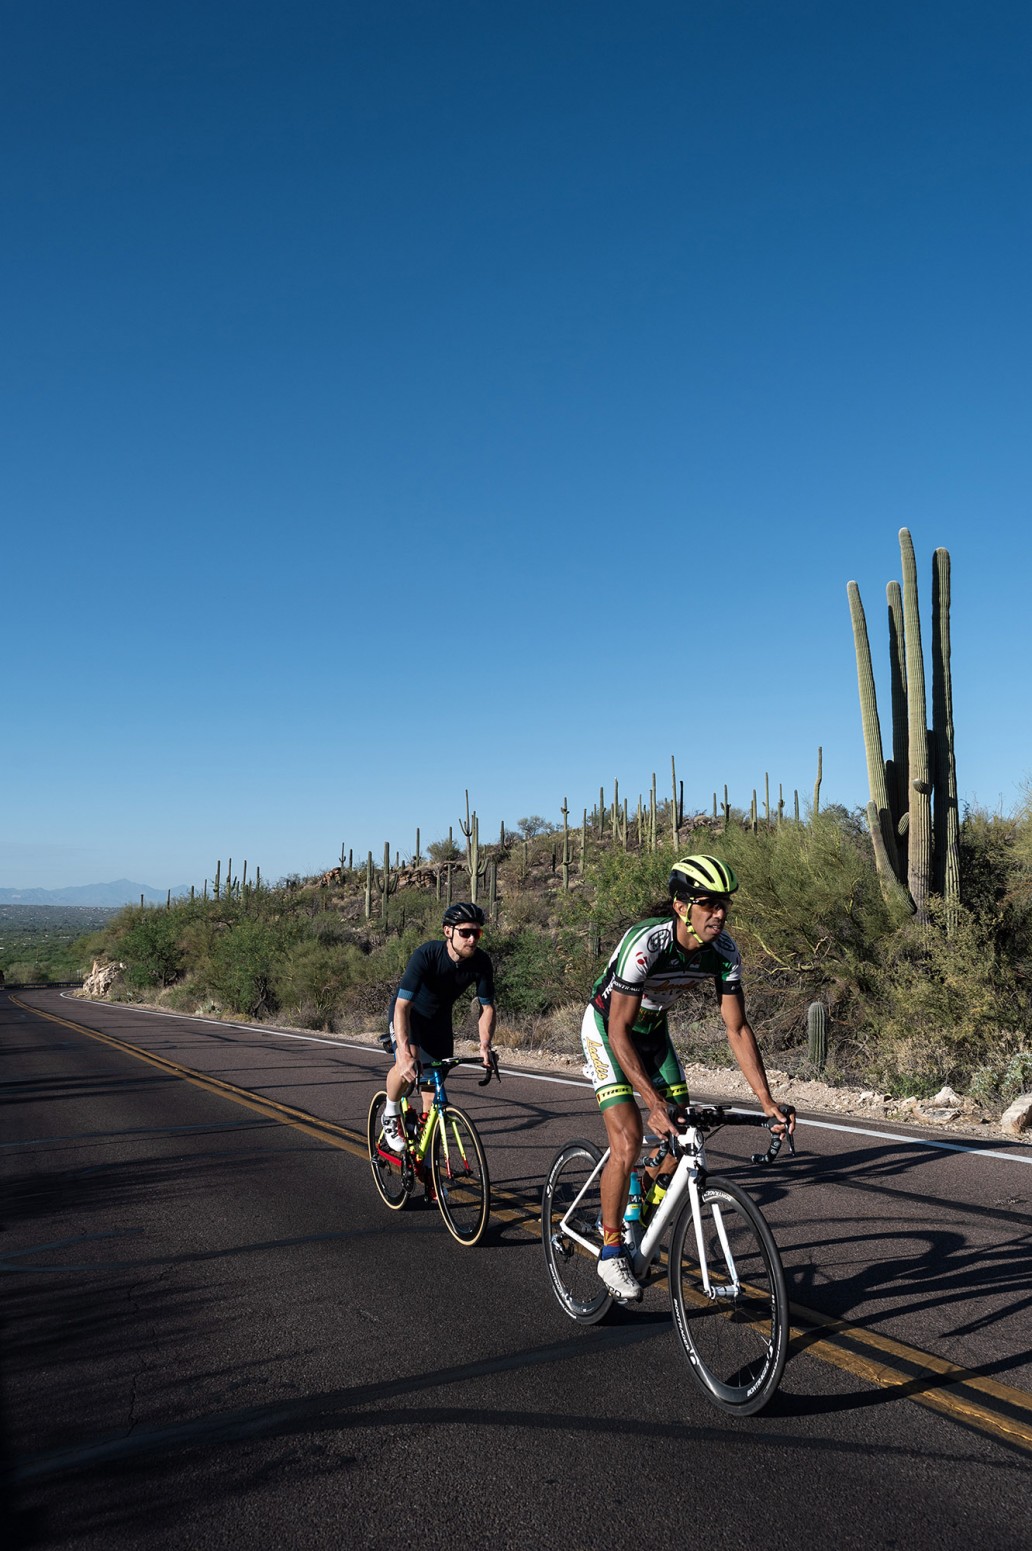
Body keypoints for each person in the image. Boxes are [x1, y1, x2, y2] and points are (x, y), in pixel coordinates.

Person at [581, 853, 793, 1303]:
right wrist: (652, 1103)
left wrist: (767, 1100)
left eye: (724, 905)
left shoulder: (723, 952)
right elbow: (618, 1030)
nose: (719, 913)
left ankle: (648, 1187)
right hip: (607, 1030)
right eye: (708, 903)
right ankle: (611, 1246)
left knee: (684, 1135)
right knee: (629, 1137)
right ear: (682, 906)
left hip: (654, 1033)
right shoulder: (647, 944)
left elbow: (736, 1027)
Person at [380, 901, 496, 1152]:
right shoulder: (427, 954)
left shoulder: (481, 962)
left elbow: (487, 1008)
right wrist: (404, 1051)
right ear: (448, 931)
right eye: (465, 932)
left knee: (432, 1097)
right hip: (409, 1013)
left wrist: (485, 1045)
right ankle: (390, 1112)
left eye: (477, 933)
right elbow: (402, 1006)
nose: (472, 939)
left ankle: (425, 1163)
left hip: (439, 1021)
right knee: (406, 1063)